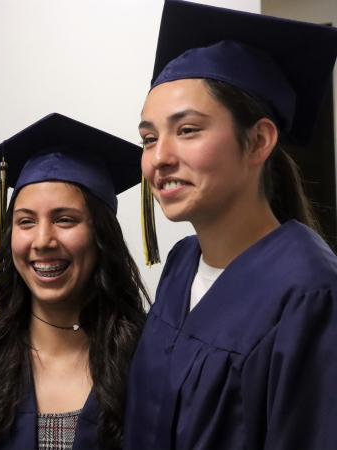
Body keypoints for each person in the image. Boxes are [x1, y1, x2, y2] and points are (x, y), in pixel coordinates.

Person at [123, 1, 337, 449]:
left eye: (187, 130)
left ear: (258, 140)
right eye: (149, 138)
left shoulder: (311, 295)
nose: (159, 157)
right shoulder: (182, 264)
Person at [0, 113, 151, 450]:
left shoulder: (148, 354)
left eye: (65, 219)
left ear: (101, 234)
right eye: (26, 221)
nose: (42, 240)